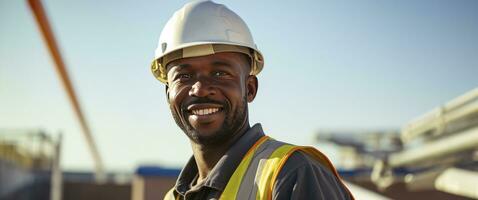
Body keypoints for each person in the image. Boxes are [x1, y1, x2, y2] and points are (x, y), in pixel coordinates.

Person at [150, 1, 354, 199]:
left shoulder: (292, 174)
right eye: (184, 76)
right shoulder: (174, 197)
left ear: (250, 88)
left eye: (220, 74)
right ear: (168, 94)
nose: (201, 90)